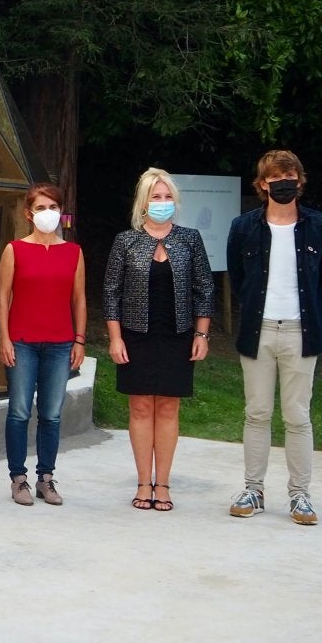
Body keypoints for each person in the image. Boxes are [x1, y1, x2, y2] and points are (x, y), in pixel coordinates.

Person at [225, 149, 322, 525]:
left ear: (300, 182)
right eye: (276, 180)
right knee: (256, 413)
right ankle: (253, 490)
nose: (284, 185)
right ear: (263, 185)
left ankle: (300, 495)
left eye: (290, 178)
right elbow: (240, 281)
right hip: (259, 330)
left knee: (297, 416)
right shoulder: (244, 227)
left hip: (301, 333)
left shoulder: (321, 226)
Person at [104, 167, 213, 512]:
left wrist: (202, 334)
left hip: (177, 336)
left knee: (168, 407)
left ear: (174, 202)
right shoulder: (126, 241)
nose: (162, 202)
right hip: (136, 336)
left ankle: (163, 484)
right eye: (156, 197)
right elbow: (111, 292)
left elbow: (204, 289)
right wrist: (115, 338)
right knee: (139, 407)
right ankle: (141, 483)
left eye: (167, 197)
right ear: (144, 202)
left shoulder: (190, 239)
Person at [0, 182, 86, 506]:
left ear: (62, 212)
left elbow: (79, 298)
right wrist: (4, 337)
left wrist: (80, 338)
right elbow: (2, 296)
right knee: (19, 411)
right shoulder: (14, 249)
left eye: (53, 207)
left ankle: (46, 477)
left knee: (52, 413)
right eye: (41, 208)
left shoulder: (73, 252)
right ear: (29, 213)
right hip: (22, 341)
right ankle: (18, 478)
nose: (49, 213)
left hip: (61, 343)